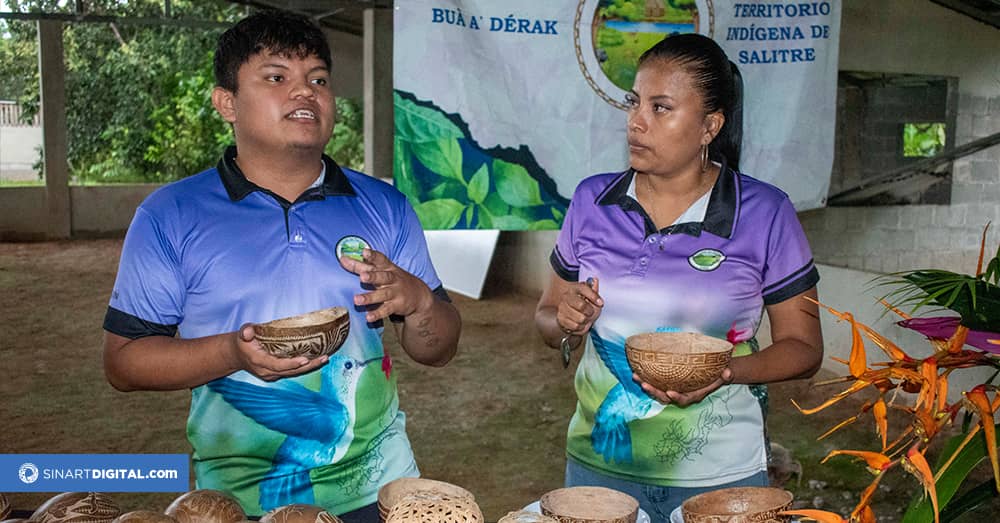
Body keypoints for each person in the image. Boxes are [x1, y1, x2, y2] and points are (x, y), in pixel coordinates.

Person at [102, 10, 461, 523]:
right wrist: (233, 352)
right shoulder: (170, 215)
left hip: (383, 491)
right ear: (226, 102)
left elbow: (439, 349)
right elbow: (123, 363)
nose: (305, 92)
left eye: (318, 79)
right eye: (276, 77)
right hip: (238, 501)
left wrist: (421, 303)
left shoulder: (384, 206)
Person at [534, 34, 823, 520]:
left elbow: (805, 348)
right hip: (599, 472)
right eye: (634, 102)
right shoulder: (591, 202)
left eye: (661, 107)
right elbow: (545, 321)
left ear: (710, 125)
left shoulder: (764, 212)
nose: (636, 121)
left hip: (722, 477)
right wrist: (565, 321)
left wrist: (724, 373)